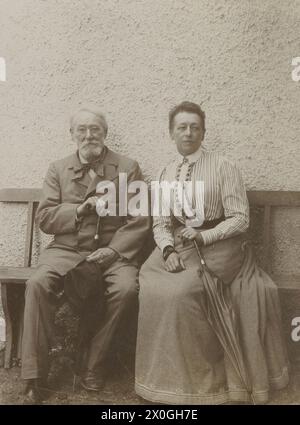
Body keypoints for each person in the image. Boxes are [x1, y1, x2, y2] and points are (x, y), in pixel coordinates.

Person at [135, 101, 289, 404]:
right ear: (171, 133)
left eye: (195, 126)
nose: (188, 132)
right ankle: (164, 382)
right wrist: (167, 251)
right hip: (181, 245)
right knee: (152, 285)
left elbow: (240, 218)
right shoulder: (166, 172)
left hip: (221, 246)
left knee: (182, 292)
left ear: (203, 131)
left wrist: (204, 235)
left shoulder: (223, 166)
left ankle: (202, 384)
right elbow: (161, 222)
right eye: (182, 127)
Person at [21, 106, 151, 403]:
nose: (89, 135)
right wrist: (77, 210)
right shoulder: (58, 169)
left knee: (127, 289)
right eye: (82, 129)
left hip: (112, 252)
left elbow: (139, 219)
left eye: (95, 129)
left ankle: (94, 364)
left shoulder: (128, 168)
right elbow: (45, 218)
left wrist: (113, 250)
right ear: (72, 135)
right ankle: (34, 375)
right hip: (66, 250)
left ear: (105, 133)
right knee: (37, 284)